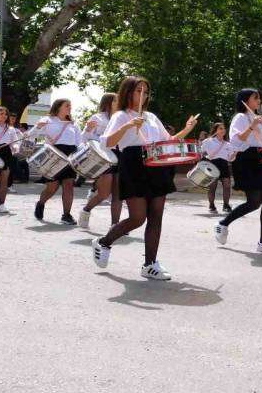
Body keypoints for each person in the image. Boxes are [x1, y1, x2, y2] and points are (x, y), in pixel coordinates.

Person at [93, 76, 198, 279]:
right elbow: (106, 142)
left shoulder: (150, 116)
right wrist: (127, 126)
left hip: (156, 164)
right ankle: (104, 242)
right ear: (128, 92)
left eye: (145, 91)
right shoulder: (121, 116)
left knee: (156, 215)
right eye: (138, 90)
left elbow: (167, 141)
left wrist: (187, 128)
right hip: (133, 164)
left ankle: (150, 264)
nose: (143, 94)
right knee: (138, 217)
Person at [214, 89, 262, 255]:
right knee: (254, 202)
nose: (259, 100)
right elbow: (236, 139)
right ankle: (223, 223)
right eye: (255, 97)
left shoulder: (261, 120)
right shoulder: (240, 118)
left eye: (259, 97)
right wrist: (251, 126)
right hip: (249, 160)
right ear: (245, 100)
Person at [30, 99, 82, 225]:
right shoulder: (48, 120)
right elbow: (30, 135)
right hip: (54, 154)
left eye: (70, 105)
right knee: (52, 187)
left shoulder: (73, 124)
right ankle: (41, 203)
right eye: (67, 105)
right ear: (58, 107)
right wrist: (38, 127)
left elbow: (79, 142)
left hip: (70, 154)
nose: (70, 107)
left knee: (69, 185)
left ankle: (66, 215)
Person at [78, 93, 123, 230]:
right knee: (104, 193)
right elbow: (85, 139)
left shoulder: (122, 118)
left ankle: (115, 225)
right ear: (109, 102)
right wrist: (87, 129)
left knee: (118, 194)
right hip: (104, 156)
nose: (120, 102)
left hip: (120, 155)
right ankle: (86, 210)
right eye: (116, 100)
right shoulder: (97, 118)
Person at [201, 121, 233, 214]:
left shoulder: (228, 144)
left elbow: (231, 159)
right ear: (215, 130)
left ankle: (226, 205)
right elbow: (202, 151)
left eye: (224, 128)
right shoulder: (209, 141)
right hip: (212, 165)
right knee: (212, 187)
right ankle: (211, 205)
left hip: (224, 165)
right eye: (220, 128)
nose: (223, 130)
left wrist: (235, 153)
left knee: (227, 186)